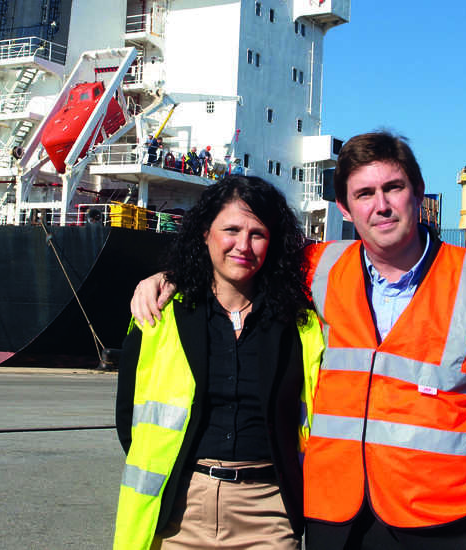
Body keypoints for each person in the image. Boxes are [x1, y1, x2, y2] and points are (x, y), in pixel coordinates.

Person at [129, 130, 466, 550]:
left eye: (393, 188)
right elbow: (239, 266)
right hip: (338, 523)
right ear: (345, 209)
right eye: (364, 194)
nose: (381, 205)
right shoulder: (318, 268)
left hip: (453, 526)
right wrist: (169, 278)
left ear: (419, 193)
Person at [114, 175, 324, 550]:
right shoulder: (162, 316)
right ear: (205, 233)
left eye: (257, 234)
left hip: (268, 514)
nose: (243, 245)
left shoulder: (300, 324)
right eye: (231, 230)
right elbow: (128, 419)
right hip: (180, 511)